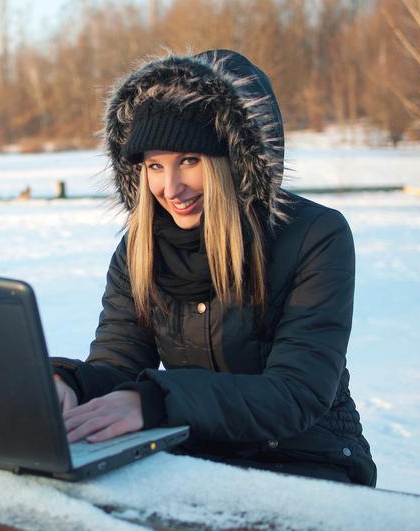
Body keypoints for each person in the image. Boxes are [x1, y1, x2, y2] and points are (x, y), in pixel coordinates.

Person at [51, 49, 377, 487]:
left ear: (234, 161)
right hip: (196, 456)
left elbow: (296, 393)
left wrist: (154, 400)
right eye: (154, 166)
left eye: (189, 160)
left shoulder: (315, 235)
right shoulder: (140, 248)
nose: (171, 188)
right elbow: (118, 362)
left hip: (306, 463)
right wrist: (69, 384)